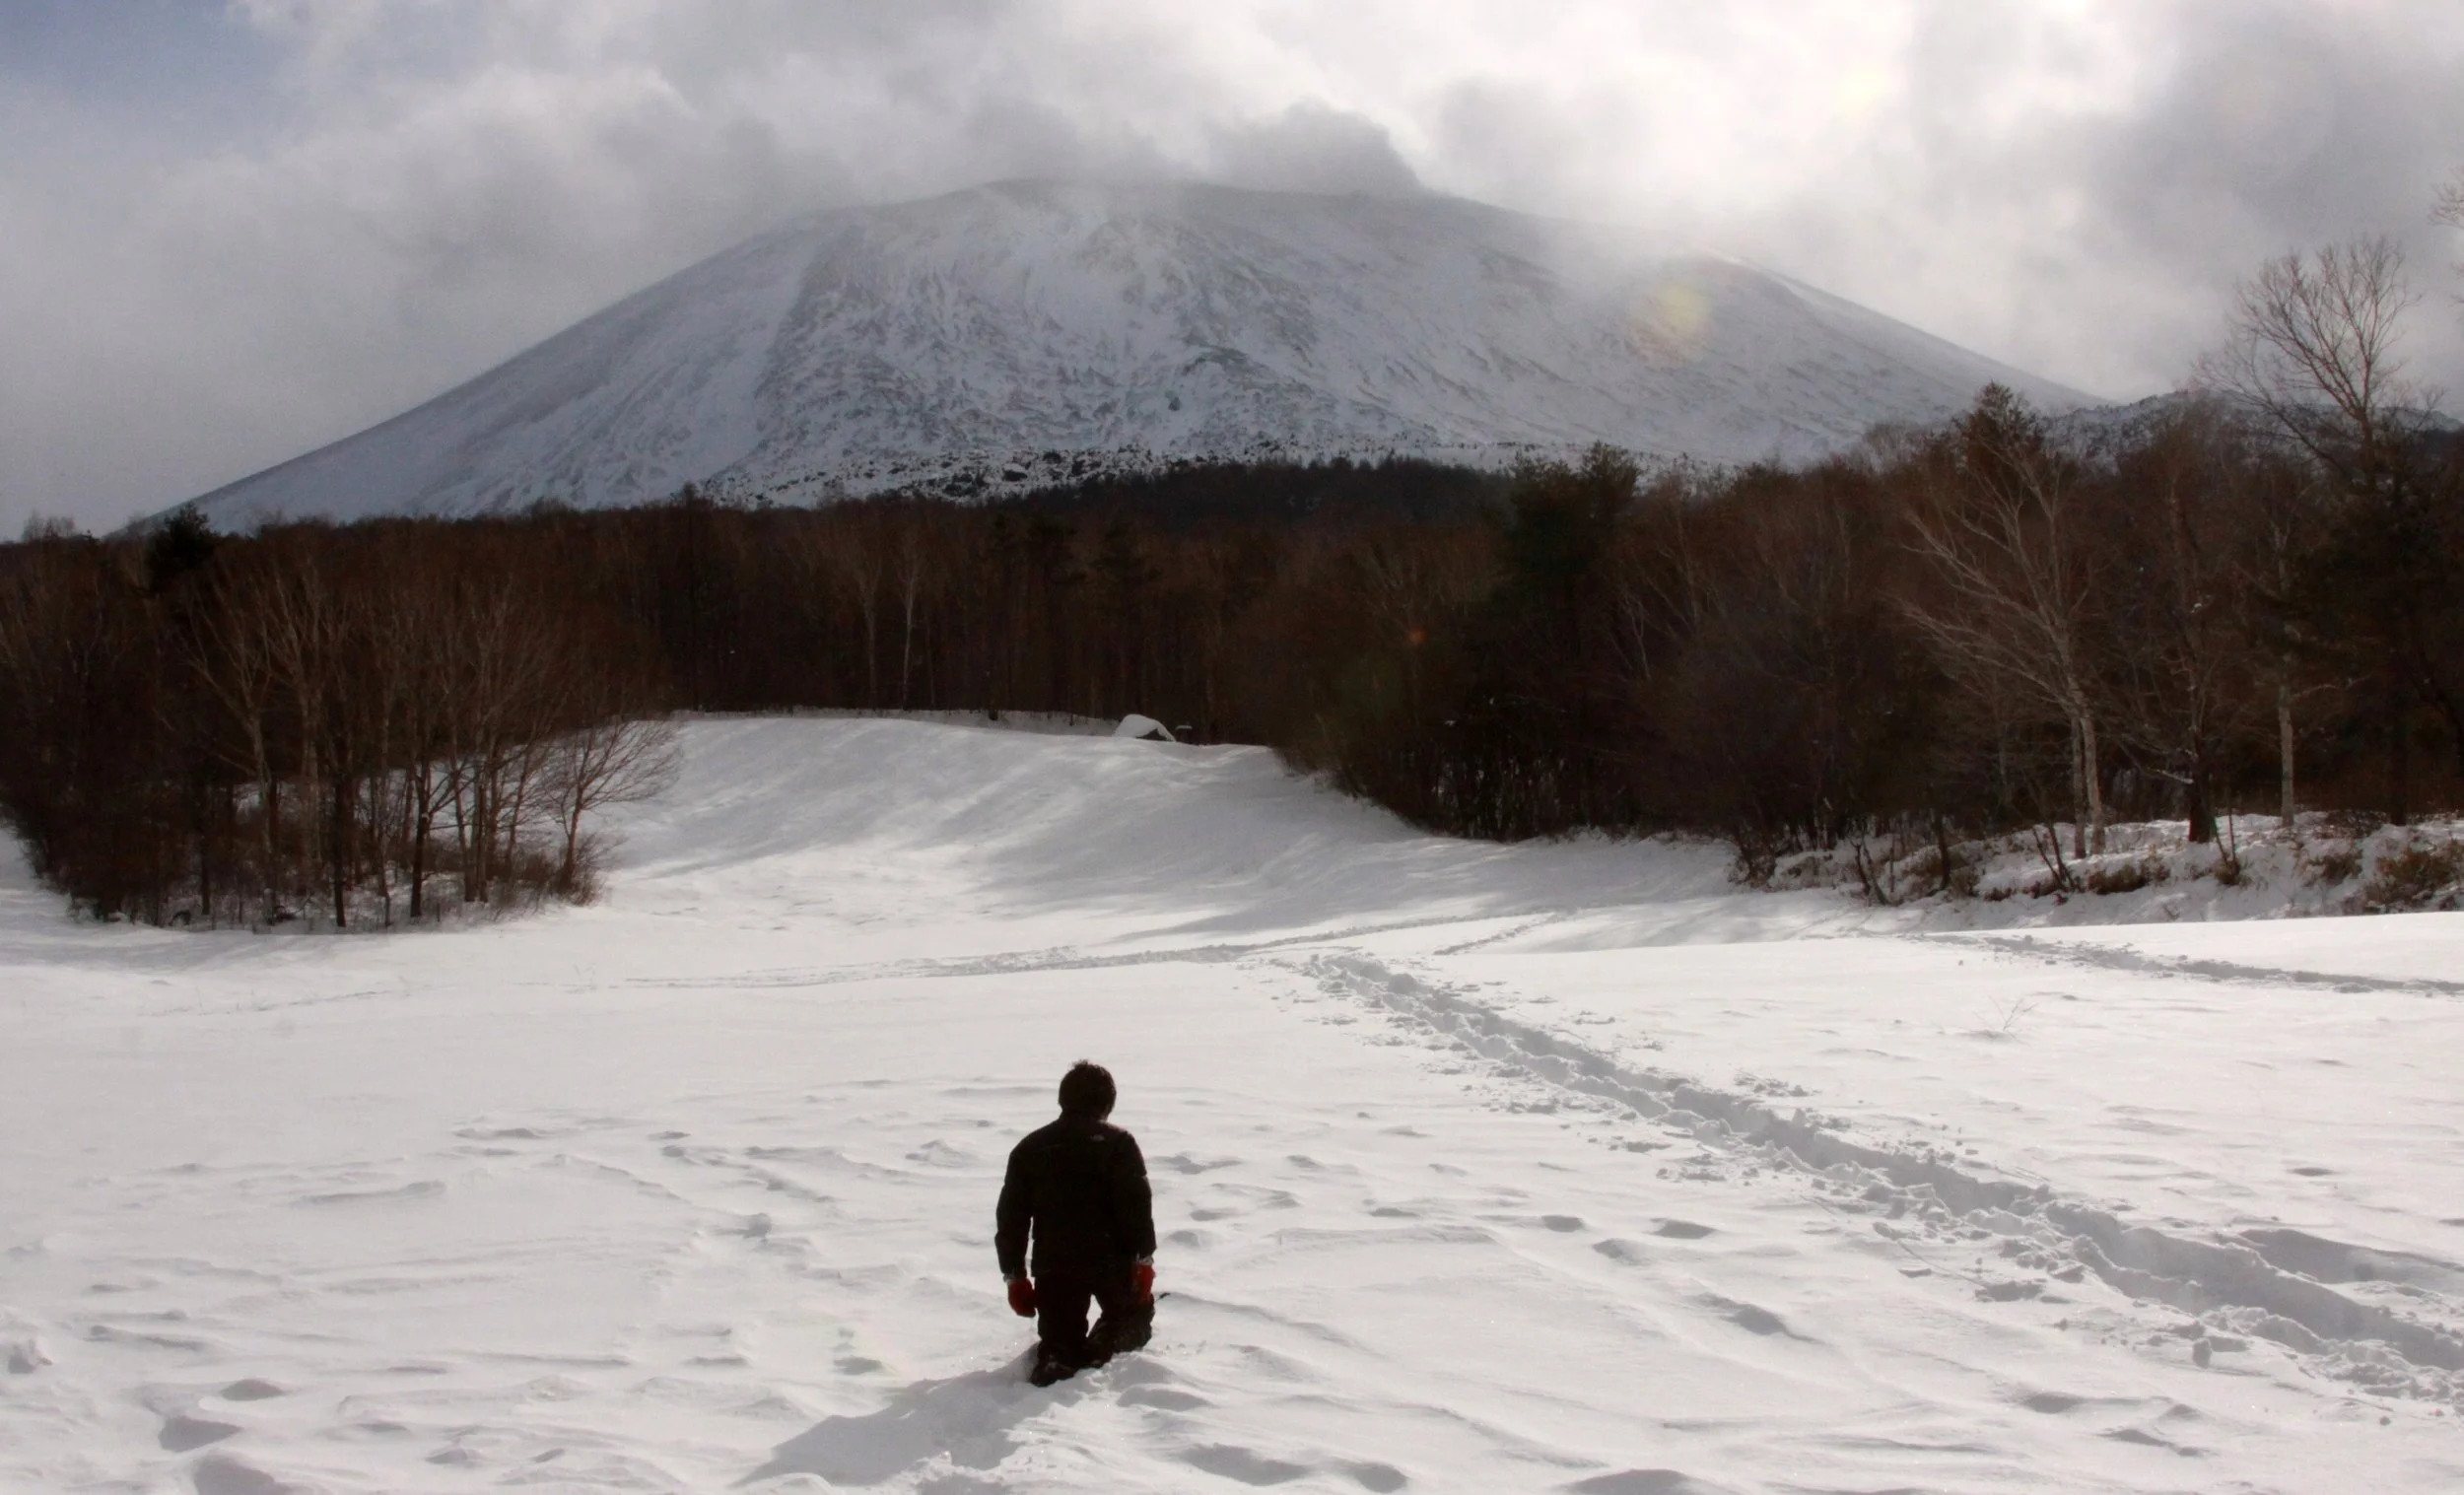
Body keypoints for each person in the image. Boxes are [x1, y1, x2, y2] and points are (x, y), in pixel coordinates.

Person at [995, 1059, 1157, 1386]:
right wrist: (1143, 1259)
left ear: (1063, 1100)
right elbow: (1136, 1205)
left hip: (1054, 1267)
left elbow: (1011, 1219)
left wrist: (1015, 1277)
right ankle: (1104, 1348)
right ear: (1106, 1104)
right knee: (1131, 1316)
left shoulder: (1029, 1149)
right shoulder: (1118, 1144)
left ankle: (1057, 1358)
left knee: (1058, 1341)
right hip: (1111, 1264)